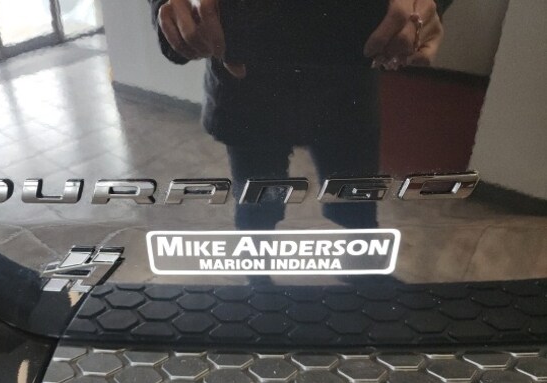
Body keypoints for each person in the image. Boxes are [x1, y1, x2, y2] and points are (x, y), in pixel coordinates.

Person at [148, 0, 451, 230]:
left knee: (354, 211)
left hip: (344, 89)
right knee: (259, 213)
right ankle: (258, 284)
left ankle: (353, 279)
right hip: (253, 90)